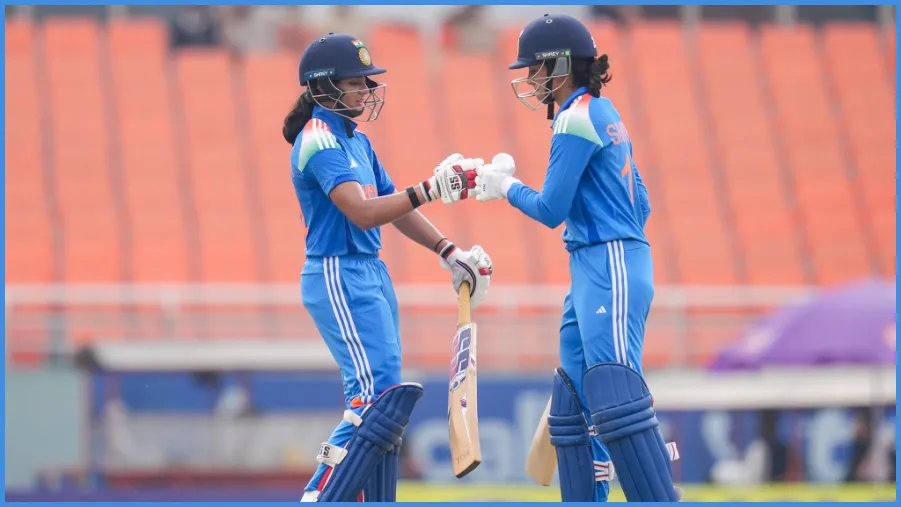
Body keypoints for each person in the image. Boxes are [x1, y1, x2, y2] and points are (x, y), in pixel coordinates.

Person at [472, 14, 679, 502]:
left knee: (616, 394)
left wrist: (504, 186)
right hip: (598, 264)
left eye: (536, 68)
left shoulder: (575, 117)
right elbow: (643, 202)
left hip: (608, 263)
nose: (530, 79)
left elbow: (550, 210)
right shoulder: (604, 111)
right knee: (575, 400)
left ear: (560, 66)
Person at [282, 33, 494, 502]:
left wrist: (449, 251)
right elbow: (362, 211)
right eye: (355, 83)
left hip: (369, 272)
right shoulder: (318, 140)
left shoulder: (356, 140)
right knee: (371, 399)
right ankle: (319, 494)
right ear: (323, 85)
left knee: (386, 400)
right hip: (337, 273)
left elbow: (393, 204)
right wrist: (431, 188)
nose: (365, 91)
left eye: (366, 82)